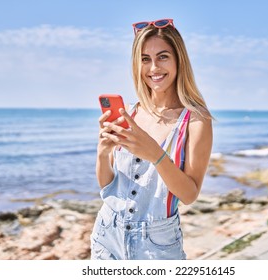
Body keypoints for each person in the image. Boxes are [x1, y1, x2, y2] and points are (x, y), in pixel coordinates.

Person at [91, 18, 213, 260]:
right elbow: (108, 186)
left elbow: (189, 194)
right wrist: (103, 152)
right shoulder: (129, 113)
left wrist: (156, 155)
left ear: (179, 60)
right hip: (107, 234)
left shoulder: (196, 120)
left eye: (163, 57)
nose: (154, 68)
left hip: (156, 245)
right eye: (145, 59)